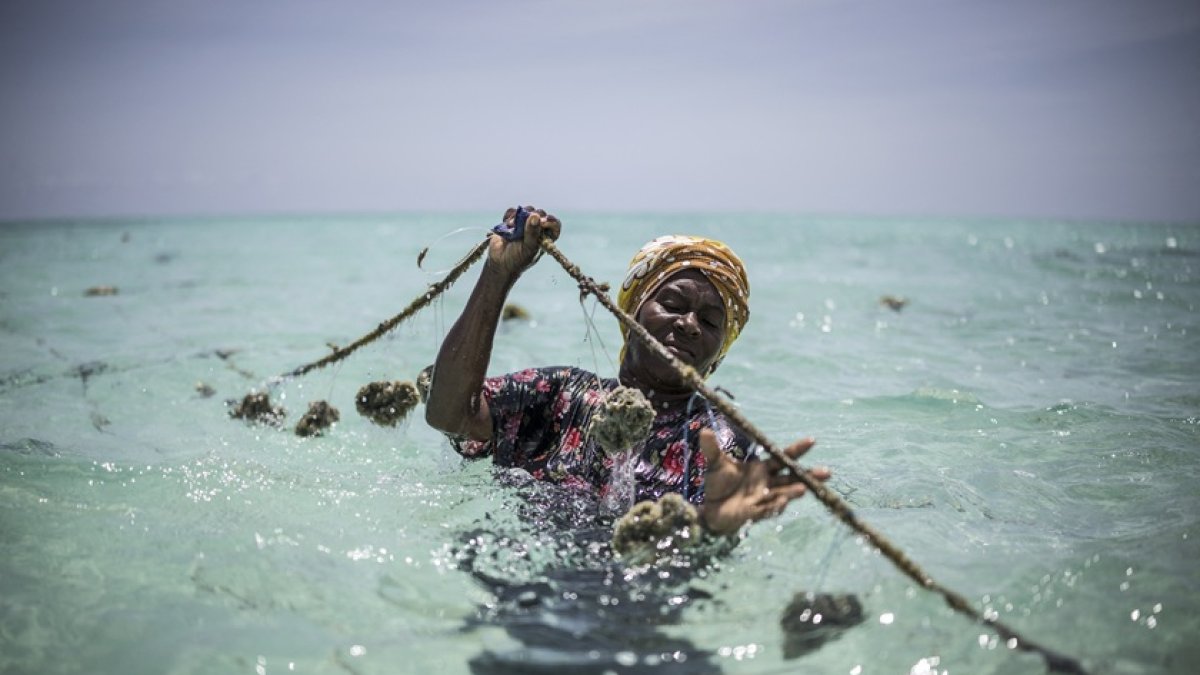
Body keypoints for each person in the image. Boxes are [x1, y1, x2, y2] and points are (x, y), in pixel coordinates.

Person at [424, 206, 830, 536]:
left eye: (708, 323)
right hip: (524, 593)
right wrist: (499, 275)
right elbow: (450, 413)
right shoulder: (562, 395)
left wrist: (711, 524)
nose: (689, 323)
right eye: (673, 303)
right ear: (631, 309)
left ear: (718, 353)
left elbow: (688, 550)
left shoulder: (717, 442)